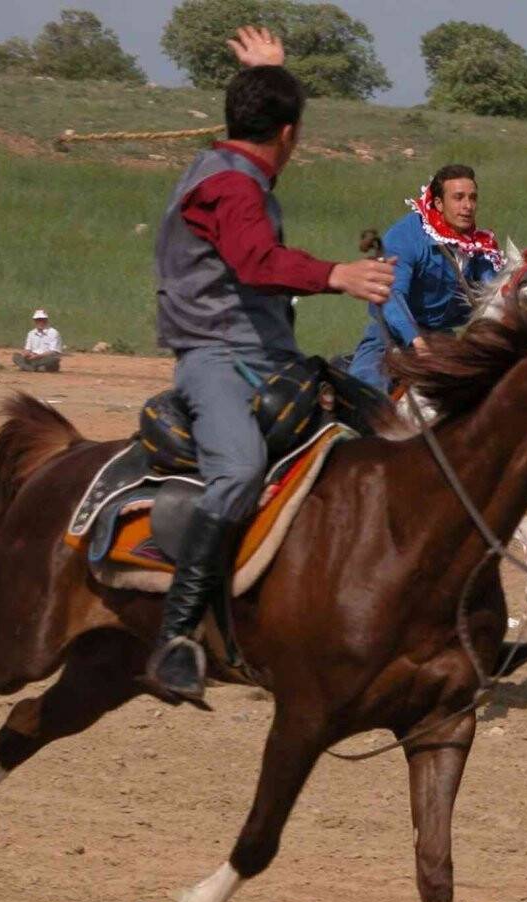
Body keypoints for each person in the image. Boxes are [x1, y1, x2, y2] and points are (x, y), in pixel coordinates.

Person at [146, 25, 395, 702]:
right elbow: (255, 262)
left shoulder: (232, 163)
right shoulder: (231, 188)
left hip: (266, 355)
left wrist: (267, 76)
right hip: (217, 358)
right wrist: (338, 273)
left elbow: (261, 118)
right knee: (239, 471)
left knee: (386, 436)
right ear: (288, 135)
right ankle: (175, 635)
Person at [348, 164, 503, 391]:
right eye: (458, 198)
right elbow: (393, 295)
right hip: (392, 335)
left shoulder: (480, 247)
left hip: (442, 339)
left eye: (472, 198)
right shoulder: (406, 235)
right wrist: (416, 340)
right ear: (439, 203)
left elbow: (493, 293)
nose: (467, 206)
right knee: (365, 388)